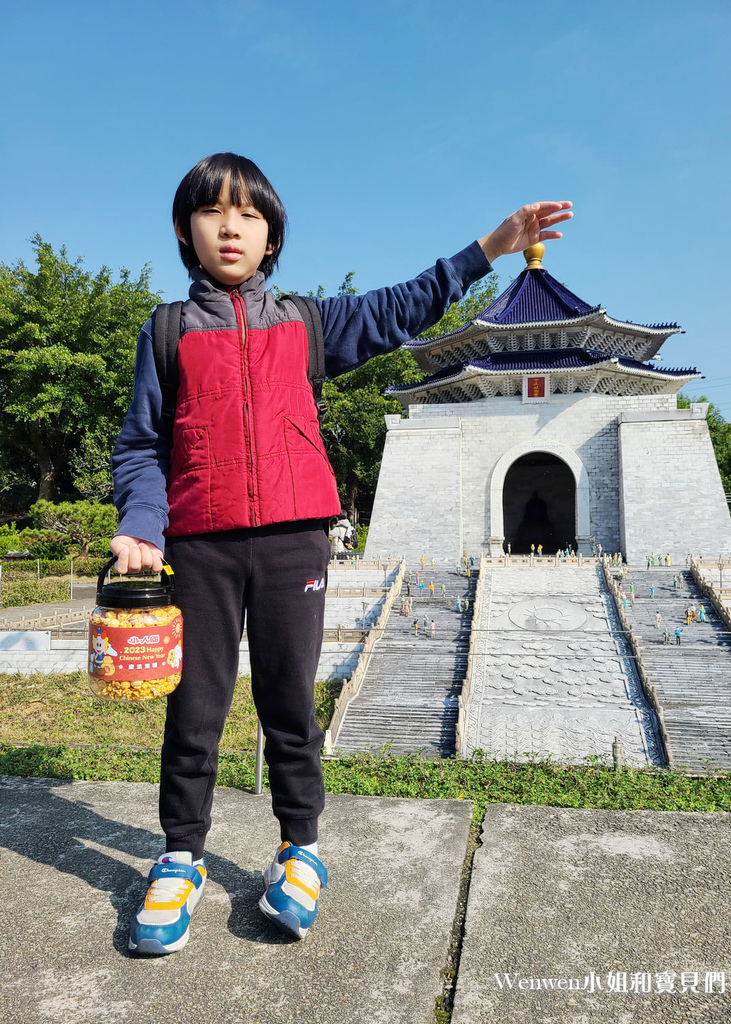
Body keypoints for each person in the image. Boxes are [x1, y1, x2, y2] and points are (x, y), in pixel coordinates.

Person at [108, 152, 574, 953]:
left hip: (294, 540)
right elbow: (142, 446)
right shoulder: (168, 331)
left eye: (248, 215)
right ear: (186, 231)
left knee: (289, 703)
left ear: (272, 236)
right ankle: (180, 855)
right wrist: (141, 525)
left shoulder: (307, 322)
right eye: (213, 212)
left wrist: (487, 251)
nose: (230, 226)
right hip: (201, 545)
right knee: (196, 712)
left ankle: (300, 850)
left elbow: (402, 308)